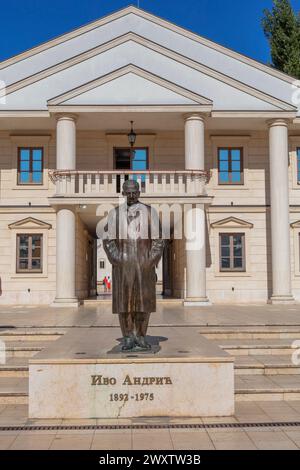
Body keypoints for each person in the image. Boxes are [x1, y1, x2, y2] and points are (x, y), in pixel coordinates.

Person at [103, 180, 164, 351]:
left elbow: (159, 240)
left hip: (144, 265)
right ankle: (128, 337)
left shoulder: (150, 212)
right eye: (128, 192)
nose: (131, 195)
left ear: (139, 192)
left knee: (143, 304)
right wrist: (118, 259)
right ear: (123, 193)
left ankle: (141, 336)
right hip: (123, 266)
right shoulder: (114, 213)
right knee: (125, 305)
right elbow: (108, 239)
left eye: (134, 192)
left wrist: (150, 261)